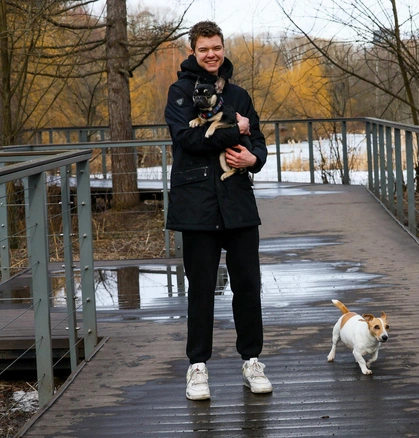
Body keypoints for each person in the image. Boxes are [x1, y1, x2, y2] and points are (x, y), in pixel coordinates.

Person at [164, 21, 271, 400]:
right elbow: (188, 139)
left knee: (248, 285)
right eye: (204, 48)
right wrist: (234, 130)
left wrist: (253, 156)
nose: (212, 53)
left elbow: (257, 139)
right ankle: (197, 367)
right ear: (193, 51)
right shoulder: (180, 92)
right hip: (197, 205)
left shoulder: (239, 94)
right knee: (201, 289)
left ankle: (252, 361)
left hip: (238, 202)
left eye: (217, 47)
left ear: (224, 49)